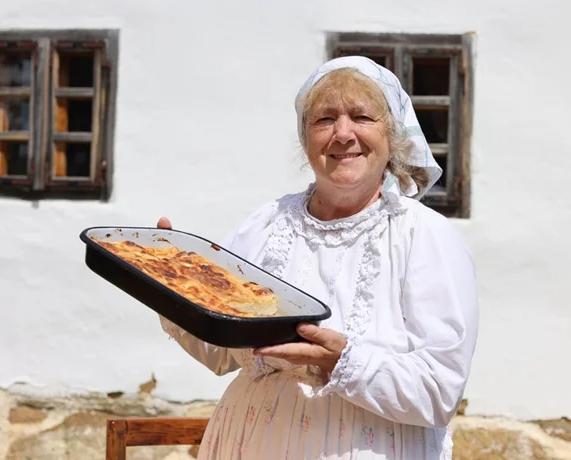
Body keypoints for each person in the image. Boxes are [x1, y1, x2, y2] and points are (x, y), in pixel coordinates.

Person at [156, 56, 479, 459]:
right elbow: (221, 353)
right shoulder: (266, 223)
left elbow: (439, 392)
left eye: (362, 116)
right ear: (305, 137)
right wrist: (171, 290)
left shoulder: (425, 236)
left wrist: (343, 363)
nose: (343, 134)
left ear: (392, 135)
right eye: (324, 120)